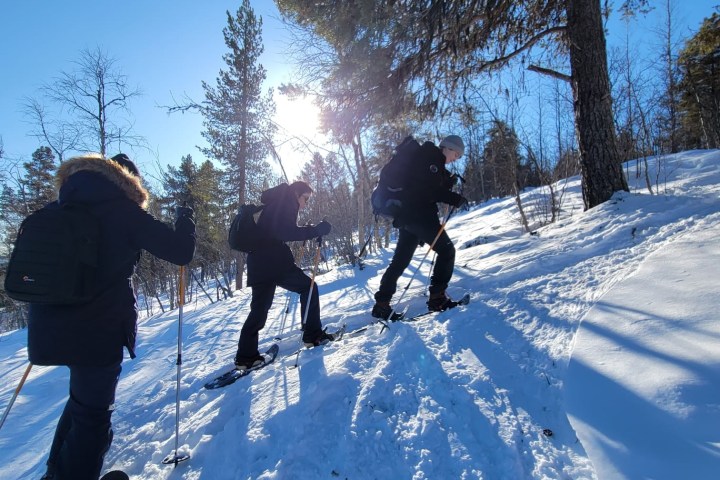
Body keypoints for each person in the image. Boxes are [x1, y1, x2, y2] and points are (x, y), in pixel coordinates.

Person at [30, 153, 196, 480]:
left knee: (81, 404)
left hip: (50, 327)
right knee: (93, 418)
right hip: (98, 332)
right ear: (127, 181)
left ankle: (57, 473)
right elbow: (181, 251)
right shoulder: (123, 210)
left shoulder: (59, 208)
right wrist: (186, 217)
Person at [234, 181, 336, 369]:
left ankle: (245, 357)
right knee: (309, 288)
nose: (305, 203)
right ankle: (313, 335)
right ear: (297, 193)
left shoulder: (276, 202)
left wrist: (308, 231)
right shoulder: (287, 202)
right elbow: (285, 232)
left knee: (259, 309)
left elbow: (278, 231)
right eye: (305, 198)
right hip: (275, 264)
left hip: (259, 263)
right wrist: (316, 230)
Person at [372, 135, 468, 319]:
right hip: (419, 215)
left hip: (407, 216)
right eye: (456, 154)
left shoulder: (428, 160)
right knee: (447, 251)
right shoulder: (432, 157)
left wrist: (447, 182)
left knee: (400, 261)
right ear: (447, 148)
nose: (455, 159)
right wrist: (454, 198)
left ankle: (381, 304)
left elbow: (422, 185)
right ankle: (438, 298)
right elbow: (426, 191)